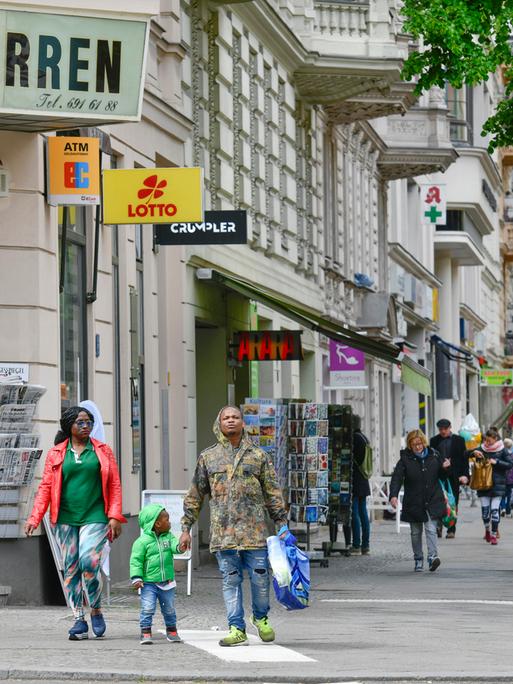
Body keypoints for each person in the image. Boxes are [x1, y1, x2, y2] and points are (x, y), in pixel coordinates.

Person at [179, 406, 289, 647]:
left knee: (261, 579)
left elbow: (272, 492)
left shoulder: (259, 456)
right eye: (226, 418)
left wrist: (281, 523)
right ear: (219, 424)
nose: (231, 421)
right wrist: (186, 527)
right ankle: (236, 628)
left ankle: (260, 618)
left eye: (235, 417)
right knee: (231, 581)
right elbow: (195, 494)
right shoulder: (208, 457)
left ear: (243, 422)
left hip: (255, 533)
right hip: (224, 534)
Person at [25, 406, 126, 640]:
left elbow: (114, 485)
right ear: (69, 426)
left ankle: (96, 608)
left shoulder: (102, 451)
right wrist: (34, 517)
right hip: (64, 518)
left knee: (89, 561)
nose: (85, 426)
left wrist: (114, 516)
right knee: (71, 568)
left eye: (88, 422)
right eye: (80, 422)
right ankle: (79, 620)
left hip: (96, 516)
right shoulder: (57, 453)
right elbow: (46, 488)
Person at [389, 429, 450, 572]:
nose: (418, 446)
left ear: (424, 442)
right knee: (416, 532)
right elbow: (397, 478)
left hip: (432, 498)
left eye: (420, 443)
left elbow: (442, 476)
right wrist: (393, 495)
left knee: (431, 529)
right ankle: (418, 559)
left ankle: (433, 557)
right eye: (414, 444)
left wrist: (445, 468)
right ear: (410, 445)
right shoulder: (405, 459)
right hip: (414, 500)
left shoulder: (434, 455)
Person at [130, 504, 187, 645]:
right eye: (167, 520)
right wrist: (136, 578)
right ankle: (145, 631)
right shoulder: (142, 542)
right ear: (157, 523)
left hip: (167, 581)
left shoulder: (168, 537)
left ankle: (172, 630)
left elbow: (175, 547)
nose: (170, 522)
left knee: (169, 608)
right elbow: (136, 561)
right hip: (148, 582)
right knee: (148, 607)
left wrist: (180, 547)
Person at [470, 427, 513, 545]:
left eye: (489, 441)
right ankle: (487, 530)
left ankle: (494, 535)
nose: (487, 443)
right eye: (486, 440)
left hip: (498, 485)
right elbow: (467, 454)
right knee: (485, 512)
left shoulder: (502, 450)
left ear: (495, 439)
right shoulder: (482, 449)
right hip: (483, 484)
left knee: (494, 510)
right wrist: (473, 453)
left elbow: (510, 464)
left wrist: (496, 462)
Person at [430, 418, 469, 539]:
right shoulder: (434, 441)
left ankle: (451, 529)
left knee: (453, 502)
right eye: (440, 429)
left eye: (445, 429)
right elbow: (431, 458)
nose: (443, 431)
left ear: (450, 427)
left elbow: (464, 460)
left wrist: (465, 475)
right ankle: (439, 526)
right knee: (438, 501)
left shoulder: (459, 440)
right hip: (439, 475)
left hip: (454, 476)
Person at [349, 415, 371, 555]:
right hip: (363, 478)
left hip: (356, 479)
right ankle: (365, 545)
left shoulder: (354, 439)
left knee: (355, 512)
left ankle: (356, 544)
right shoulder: (364, 437)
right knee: (363, 513)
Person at [500, 438, 513, 517]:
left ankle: (503, 508)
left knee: (502, 495)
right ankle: (508, 512)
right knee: (509, 495)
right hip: (511, 478)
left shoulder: (501, 453)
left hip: (503, 477)